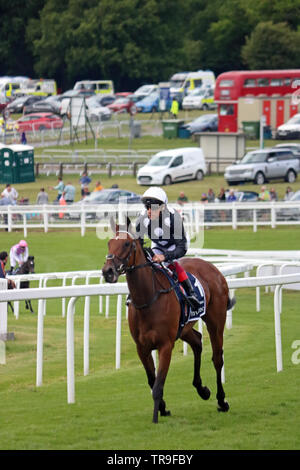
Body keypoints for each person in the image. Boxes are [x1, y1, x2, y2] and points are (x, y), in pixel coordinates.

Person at [135, 187, 202, 310]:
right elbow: (138, 244)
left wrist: (165, 256)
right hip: (157, 244)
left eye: (153, 208)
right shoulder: (142, 220)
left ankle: (191, 293)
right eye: (147, 207)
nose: (149, 211)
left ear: (162, 207)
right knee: (149, 265)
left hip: (176, 244)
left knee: (171, 264)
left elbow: (182, 248)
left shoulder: (173, 218)